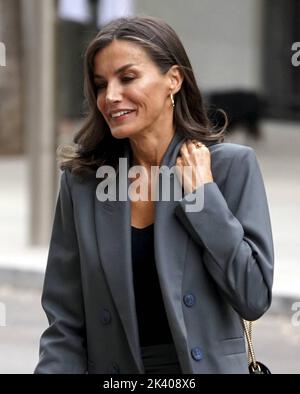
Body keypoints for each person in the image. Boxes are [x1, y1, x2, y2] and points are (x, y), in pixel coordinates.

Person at [34, 16, 274, 374]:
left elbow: (253, 297)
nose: (111, 96)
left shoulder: (229, 168)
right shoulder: (83, 182)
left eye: (127, 78)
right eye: (101, 84)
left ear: (173, 80)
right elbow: (65, 322)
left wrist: (204, 198)